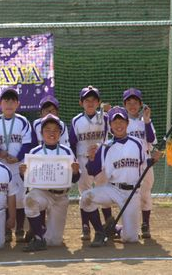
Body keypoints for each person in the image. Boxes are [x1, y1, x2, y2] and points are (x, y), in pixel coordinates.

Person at [81, 106, 161, 247]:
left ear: (127, 123)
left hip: (132, 192)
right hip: (113, 189)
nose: (118, 125)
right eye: (115, 122)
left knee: (131, 239)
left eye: (121, 121)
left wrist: (153, 159)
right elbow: (93, 171)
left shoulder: (137, 144)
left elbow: (144, 164)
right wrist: (92, 159)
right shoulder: (105, 147)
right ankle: (100, 231)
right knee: (86, 198)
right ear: (110, 125)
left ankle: (117, 230)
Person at [20, 115, 80, 252]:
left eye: (55, 130)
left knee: (54, 242)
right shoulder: (34, 152)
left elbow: (75, 180)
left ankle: (39, 230)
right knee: (29, 199)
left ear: (60, 133)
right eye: (47, 130)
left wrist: (75, 172)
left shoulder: (67, 152)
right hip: (43, 193)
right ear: (41, 133)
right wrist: (22, 172)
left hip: (60, 196)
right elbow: (27, 180)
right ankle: (39, 237)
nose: (51, 133)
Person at [0, 88, 32, 243]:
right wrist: (0, 152)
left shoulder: (22, 121)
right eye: (5, 101)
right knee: (3, 199)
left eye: (12, 101)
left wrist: (19, 157)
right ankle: (6, 229)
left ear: (18, 104)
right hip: (0, 167)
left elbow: (28, 143)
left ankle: (19, 228)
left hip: (18, 166)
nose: (9, 104)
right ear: (0, 104)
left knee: (20, 198)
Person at [69, 85, 111, 241]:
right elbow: (72, 143)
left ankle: (108, 223)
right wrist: (74, 161)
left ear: (98, 102)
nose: (90, 103)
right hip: (82, 159)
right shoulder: (76, 121)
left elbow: (119, 123)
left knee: (104, 190)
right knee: (85, 192)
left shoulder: (105, 117)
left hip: (101, 158)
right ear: (81, 103)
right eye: (87, 100)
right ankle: (85, 226)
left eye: (94, 100)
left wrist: (110, 110)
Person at [122, 88, 157, 238]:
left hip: (145, 162)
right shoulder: (121, 122)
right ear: (124, 105)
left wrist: (147, 120)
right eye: (128, 102)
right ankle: (129, 224)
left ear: (140, 104)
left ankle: (145, 224)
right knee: (127, 194)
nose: (132, 105)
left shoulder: (145, 122)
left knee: (144, 194)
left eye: (135, 102)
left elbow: (151, 140)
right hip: (127, 164)